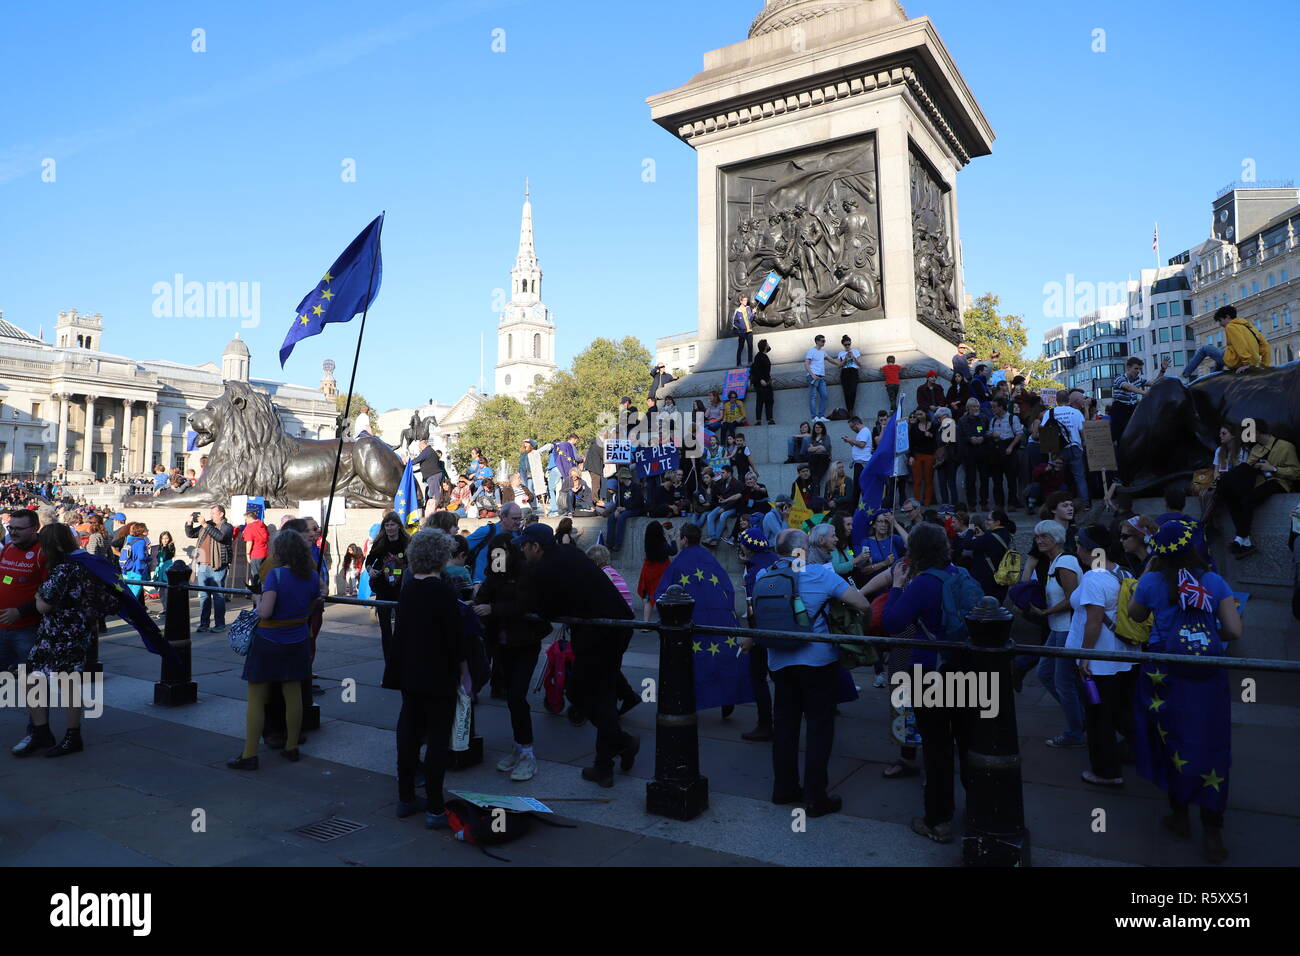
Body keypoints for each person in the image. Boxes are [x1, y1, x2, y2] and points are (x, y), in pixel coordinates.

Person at [1128, 519, 1242, 864]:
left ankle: (1179, 817)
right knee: (1210, 744)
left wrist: (1150, 572)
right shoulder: (1214, 581)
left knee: (1171, 741)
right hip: (1207, 676)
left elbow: (1135, 616)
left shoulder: (1150, 580)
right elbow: (1234, 631)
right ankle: (1212, 830)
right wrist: (1204, 638)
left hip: (1164, 675)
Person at [756, 528, 872, 816]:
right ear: (804, 548)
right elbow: (862, 603)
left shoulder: (762, 576)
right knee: (819, 727)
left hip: (779, 662)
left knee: (784, 727)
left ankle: (783, 789)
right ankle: (815, 796)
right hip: (818, 662)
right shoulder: (819, 574)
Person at [517, 523, 638, 787]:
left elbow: (544, 611)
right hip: (612, 627)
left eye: (524, 547)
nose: (522, 552)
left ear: (536, 547)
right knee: (599, 695)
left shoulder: (545, 569)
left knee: (583, 693)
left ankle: (621, 746)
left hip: (599, 633)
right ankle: (606, 762)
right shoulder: (569, 552)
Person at [880, 522, 972, 843]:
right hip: (966, 669)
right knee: (969, 742)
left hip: (930, 671)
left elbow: (891, 622)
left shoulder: (922, 584)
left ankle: (938, 819)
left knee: (937, 747)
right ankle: (977, 809)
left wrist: (896, 585)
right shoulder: (961, 573)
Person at [381, 530, 472, 825]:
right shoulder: (443, 591)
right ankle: (435, 807)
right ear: (440, 556)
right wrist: (465, 672)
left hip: (410, 672)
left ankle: (405, 797)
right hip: (438, 673)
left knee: (408, 733)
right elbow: (455, 639)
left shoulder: (408, 588)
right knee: (436, 740)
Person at [10, 524, 118, 757]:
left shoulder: (62, 569)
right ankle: (45, 732)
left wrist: (38, 593)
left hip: (62, 634)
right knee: (36, 678)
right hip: (70, 632)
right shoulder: (83, 563)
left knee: (60, 683)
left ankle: (70, 735)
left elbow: (43, 605)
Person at [226, 530, 320, 770]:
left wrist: (257, 601)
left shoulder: (276, 575)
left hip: (269, 639)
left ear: (279, 551)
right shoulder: (311, 576)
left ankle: (249, 754)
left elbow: (265, 612)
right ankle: (291, 747)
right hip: (297, 639)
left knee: (256, 698)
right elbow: (320, 595)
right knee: (293, 695)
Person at [473, 533, 550, 782]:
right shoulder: (496, 573)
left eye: (499, 554)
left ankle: (527, 752)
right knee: (511, 697)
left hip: (525, 642)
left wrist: (494, 609)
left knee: (517, 695)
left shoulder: (525, 572)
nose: (496, 559)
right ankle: (519, 747)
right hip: (503, 642)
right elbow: (483, 595)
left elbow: (524, 604)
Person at [1065, 524, 1136, 788]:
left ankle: (1106, 771)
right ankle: (1138, 750)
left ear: (1089, 549)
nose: (1078, 548)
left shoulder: (1094, 577)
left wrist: (1084, 657)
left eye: (1080, 544)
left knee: (1098, 717)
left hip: (1099, 662)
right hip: (1124, 656)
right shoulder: (1121, 570)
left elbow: (1093, 620)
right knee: (1119, 711)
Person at [1023, 519, 1085, 748]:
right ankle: (1081, 716)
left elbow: (1073, 599)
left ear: (1056, 538)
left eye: (1044, 537)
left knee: (1063, 682)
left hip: (1067, 629)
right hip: (1057, 628)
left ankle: (1075, 731)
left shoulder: (1064, 562)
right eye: (1037, 537)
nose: (1039, 540)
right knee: (1045, 674)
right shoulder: (1054, 562)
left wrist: (1045, 611)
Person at [1216, 417, 1300, 557]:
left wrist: (1273, 468)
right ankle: (1246, 540)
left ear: (1257, 432)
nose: (1245, 436)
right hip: (1258, 482)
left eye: (1247, 432)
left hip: (1278, 482)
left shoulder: (1285, 447)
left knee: (1247, 500)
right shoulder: (1255, 449)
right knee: (1229, 492)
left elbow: (1297, 473)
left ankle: (1241, 537)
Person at [737, 527, 778, 741]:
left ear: (747, 546)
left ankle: (765, 724)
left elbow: (755, 608)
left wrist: (751, 637)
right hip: (781, 628)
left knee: (758, 677)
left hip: (763, 631)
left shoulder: (755, 571)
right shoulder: (773, 560)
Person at [1182, 304, 1270, 380]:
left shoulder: (1230, 327)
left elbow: (1240, 344)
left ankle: (1185, 375)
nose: (1220, 324)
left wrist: (1247, 364)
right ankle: (1214, 377)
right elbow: (1265, 345)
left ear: (1227, 317)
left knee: (1204, 349)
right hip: (1251, 361)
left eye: (1220, 320)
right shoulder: (1249, 327)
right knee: (1221, 353)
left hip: (1237, 361)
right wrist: (1264, 365)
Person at [365, 512, 409, 660]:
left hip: (401, 589)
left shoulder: (407, 542)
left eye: (392, 524)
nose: (390, 528)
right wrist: (371, 570)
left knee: (401, 629)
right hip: (383, 589)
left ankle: (400, 660)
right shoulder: (380, 542)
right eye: (387, 525)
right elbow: (369, 560)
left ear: (398, 526)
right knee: (385, 629)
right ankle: (388, 661)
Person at [185, 505, 233, 634]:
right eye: (211, 513)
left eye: (214, 513)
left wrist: (205, 524)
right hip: (202, 565)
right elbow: (191, 534)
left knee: (218, 596)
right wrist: (189, 523)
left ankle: (220, 624)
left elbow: (221, 537)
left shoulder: (227, 527)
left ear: (221, 514)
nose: (211, 515)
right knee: (204, 596)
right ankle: (204, 624)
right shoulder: (207, 525)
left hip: (217, 565)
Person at [1040, 390, 1089, 506]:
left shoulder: (1049, 413)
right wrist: (1085, 444)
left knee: (1058, 478)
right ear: (1068, 400)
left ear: (1056, 400)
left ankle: (1059, 504)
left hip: (1057, 450)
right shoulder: (1075, 412)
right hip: (1074, 447)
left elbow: (1043, 431)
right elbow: (1083, 431)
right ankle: (1085, 503)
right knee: (1079, 478)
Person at [986, 396, 1022, 509]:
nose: (993, 409)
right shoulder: (993, 420)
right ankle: (999, 503)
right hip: (996, 451)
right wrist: (991, 435)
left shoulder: (1012, 418)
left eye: (994, 407)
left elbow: (1019, 434)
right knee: (997, 480)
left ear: (1001, 407)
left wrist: (1011, 447)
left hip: (1008, 448)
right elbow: (989, 433)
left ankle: (1012, 502)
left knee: (1011, 479)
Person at [957, 398, 992, 510]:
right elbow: (959, 437)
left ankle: (984, 502)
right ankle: (971, 503)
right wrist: (969, 439)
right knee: (970, 480)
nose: (976, 408)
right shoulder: (962, 420)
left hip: (983, 452)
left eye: (977, 406)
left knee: (984, 479)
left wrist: (983, 438)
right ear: (968, 408)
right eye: (973, 407)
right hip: (969, 453)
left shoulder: (984, 418)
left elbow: (989, 432)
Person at [602, 467, 645, 554]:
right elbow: (619, 501)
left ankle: (618, 543)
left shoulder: (635, 487)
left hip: (635, 509)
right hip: (623, 509)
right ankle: (609, 543)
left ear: (623, 477)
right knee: (611, 518)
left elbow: (638, 502)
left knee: (622, 517)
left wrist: (625, 508)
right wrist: (617, 509)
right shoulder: (621, 487)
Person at [703, 465, 744, 546]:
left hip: (733, 507)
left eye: (723, 473)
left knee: (723, 516)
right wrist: (714, 484)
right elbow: (716, 493)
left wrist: (724, 508)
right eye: (721, 472)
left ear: (729, 473)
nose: (721, 474)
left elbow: (736, 500)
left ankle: (716, 539)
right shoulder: (722, 482)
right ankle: (712, 537)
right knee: (710, 516)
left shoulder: (737, 483)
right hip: (723, 504)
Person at [804, 334, 840, 421]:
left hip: (821, 377)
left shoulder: (823, 352)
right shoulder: (811, 351)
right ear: (817, 341)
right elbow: (806, 363)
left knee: (824, 396)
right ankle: (814, 417)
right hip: (813, 376)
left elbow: (830, 359)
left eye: (824, 341)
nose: (824, 342)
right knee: (813, 397)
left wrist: (840, 364)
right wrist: (812, 374)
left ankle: (821, 416)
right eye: (822, 341)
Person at [907, 408, 937, 506]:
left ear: (925, 414)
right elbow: (911, 443)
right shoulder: (914, 427)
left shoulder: (933, 425)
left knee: (928, 479)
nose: (918, 416)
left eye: (920, 414)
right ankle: (917, 502)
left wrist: (931, 435)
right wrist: (911, 456)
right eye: (917, 415)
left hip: (929, 455)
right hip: (917, 455)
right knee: (917, 480)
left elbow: (937, 441)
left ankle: (927, 501)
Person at [842, 416, 873, 510]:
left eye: (852, 427)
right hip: (859, 463)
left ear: (856, 424)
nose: (852, 429)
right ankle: (856, 508)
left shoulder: (864, 431)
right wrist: (849, 441)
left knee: (859, 487)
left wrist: (850, 440)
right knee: (857, 487)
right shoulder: (862, 432)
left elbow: (862, 445)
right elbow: (858, 446)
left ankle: (862, 509)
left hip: (862, 464)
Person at [932, 407, 958, 505]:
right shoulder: (939, 429)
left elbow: (954, 443)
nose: (939, 420)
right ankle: (945, 503)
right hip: (941, 460)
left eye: (940, 417)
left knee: (951, 483)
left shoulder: (953, 427)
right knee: (942, 484)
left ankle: (954, 504)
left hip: (950, 460)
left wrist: (955, 459)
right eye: (938, 418)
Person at [240, 509, 270, 592]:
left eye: (245, 519)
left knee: (256, 576)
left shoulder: (250, 527)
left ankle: (258, 595)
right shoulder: (262, 524)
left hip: (256, 554)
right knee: (264, 575)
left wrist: (247, 554)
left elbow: (249, 542)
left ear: (249, 518)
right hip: (264, 552)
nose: (245, 522)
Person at [119, 522, 151, 601]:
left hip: (129, 569)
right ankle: (132, 610)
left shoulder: (130, 539)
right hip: (137, 569)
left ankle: (127, 609)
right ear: (142, 531)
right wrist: (149, 558)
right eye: (146, 529)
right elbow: (141, 557)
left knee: (129, 591)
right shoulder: (141, 541)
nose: (148, 530)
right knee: (135, 593)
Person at [751, 338, 775, 425]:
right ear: (765, 346)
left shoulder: (764, 355)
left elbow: (765, 370)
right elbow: (755, 369)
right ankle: (758, 420)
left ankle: (770, 419)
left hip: (767, 382)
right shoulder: (758, 356)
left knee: (769, 401)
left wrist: (769, 379)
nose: (768, 345)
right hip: (761, 384)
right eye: (767, 344)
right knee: (760, 401)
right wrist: (761, 379)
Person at [806, 420, 832, 497]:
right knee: (815, 477)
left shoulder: (826, 437)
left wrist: (814, 448)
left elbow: (825, 448)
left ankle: (815, 496)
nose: (817, 429)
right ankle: (816, 496)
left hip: (823, 459)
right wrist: (819, 447)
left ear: (822, 428)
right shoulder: (812, 438)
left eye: (819, 427)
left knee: (816, 477)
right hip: (813, 459)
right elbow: (809, 450)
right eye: (816, 427)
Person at [839, 335, 863, 414]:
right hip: (845, 372)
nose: (847, 346)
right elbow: (839, 365)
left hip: (853, 371)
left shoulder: (855, 351)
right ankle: (849, 409)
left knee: (853, 391)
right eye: (845, 345)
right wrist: (845, 358)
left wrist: (853, 357)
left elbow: (860, 364)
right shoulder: (841, 353)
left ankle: (851, 409)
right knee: (846, 392)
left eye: (849, 344)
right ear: (843, 345)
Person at [732, 293, 756, 366]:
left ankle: (750, 362)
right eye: (744, 300)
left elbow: (750, 319)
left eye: (746, 300)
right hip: (742, 332)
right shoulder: (738, 311)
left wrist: (753, 313)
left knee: (750, 347)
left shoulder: (748, 308)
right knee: (740, 347)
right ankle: (738, 364)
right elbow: (734, 322)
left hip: (749, 331)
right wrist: (741, 328)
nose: (746, 302)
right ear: (741, 301)